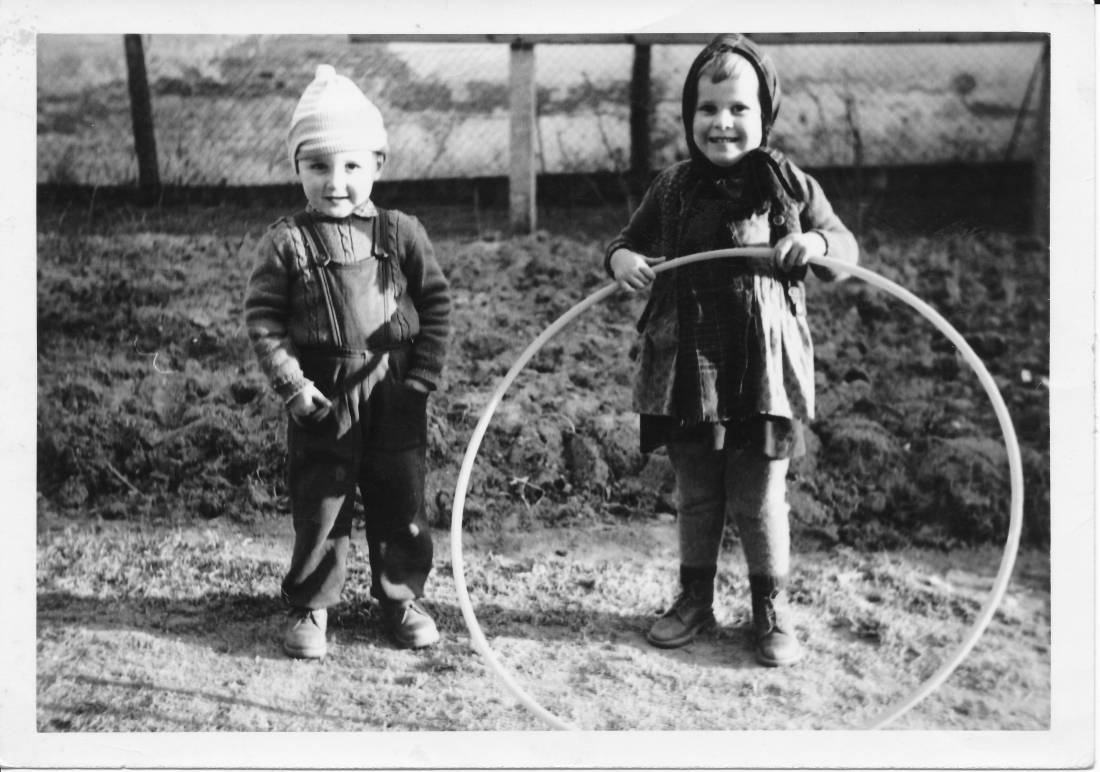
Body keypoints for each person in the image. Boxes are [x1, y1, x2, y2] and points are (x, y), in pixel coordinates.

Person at [606, 34, 858, 666]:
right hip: (688, 364)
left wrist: (818, 248)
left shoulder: (790, 186)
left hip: (761, 369)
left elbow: (844, 250)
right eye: (707, 108)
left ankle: (770, 607)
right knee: (697, 489)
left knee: (758, 493)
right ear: (689, 115)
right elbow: (622, 242)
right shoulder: (672, 187)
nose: (722, 122)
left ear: (764, 116)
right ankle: (694, 598)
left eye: (739, 109)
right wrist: (625, 260)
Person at [245, 64, 451, 658]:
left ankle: (401, 598)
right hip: (324, 397)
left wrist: (423, 375)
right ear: (297, 168)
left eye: (353, 166)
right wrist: (292, 385)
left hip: (396, 392)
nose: (337, 182)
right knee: (321, 504)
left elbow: (436, 302)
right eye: (318, 166)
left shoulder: (402, 232)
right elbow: (264, 321)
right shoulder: (287, 242)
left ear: (378, 166)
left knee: (401, 500)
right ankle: (312, 608)